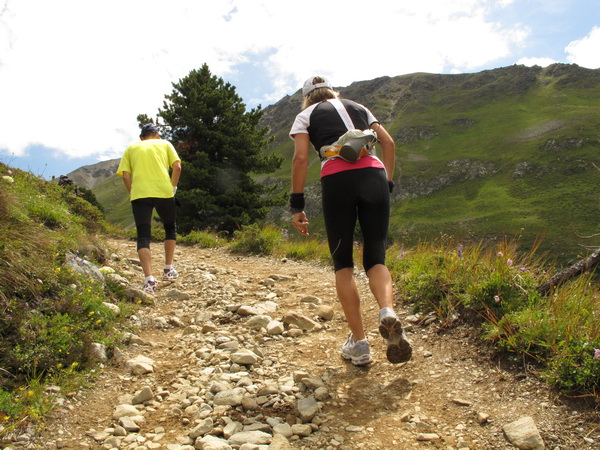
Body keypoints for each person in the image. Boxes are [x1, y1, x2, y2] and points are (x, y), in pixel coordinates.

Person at [289, 76, 412, 366]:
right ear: (332, 91)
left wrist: (297, 205)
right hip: (374, 174)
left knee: (343, 263)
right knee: (376, 256)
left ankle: (360, 344)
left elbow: (301, 159)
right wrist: (387, 182)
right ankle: (387, 311)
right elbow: (388, 143)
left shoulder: (306, 116)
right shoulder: (359, 107)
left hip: (337, 179)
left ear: (307, 97)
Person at [117, 123, 182, 295]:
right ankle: (168, 269)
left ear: (141, 138)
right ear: (157, 135)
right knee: (170, 227)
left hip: (140, 195)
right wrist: (173, 187)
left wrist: (133, 192)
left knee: (143, 236)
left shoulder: (131, 149)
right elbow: (177, 167)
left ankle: (149, 279)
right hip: (164, 192)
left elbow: (125, 176)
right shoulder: (165, 144)